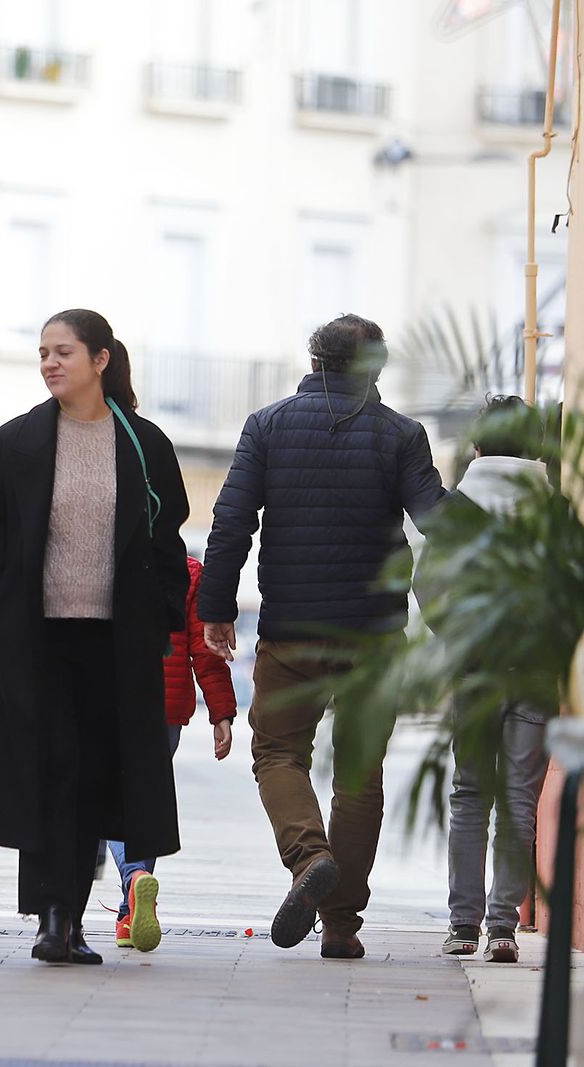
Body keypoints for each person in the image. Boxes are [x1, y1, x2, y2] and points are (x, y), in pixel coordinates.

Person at [198, 313, 444, 960]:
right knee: (359, 776)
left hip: (293, 632)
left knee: (278, 753)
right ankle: (340, 926)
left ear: (314, 361)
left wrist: (215, 605)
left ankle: (309, 855)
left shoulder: (269, 425)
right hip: (374, 637)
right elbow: (436, 519)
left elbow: (230, 522)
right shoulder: (402, 435)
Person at [0, 313, 189, 967]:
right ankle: (51, 914)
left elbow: (166, 537)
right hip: (37, 636)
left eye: (63, 352)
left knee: (94, 775)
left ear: (101, 358)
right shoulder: (18, 442)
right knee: (47, 769)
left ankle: (75, 917)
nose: (49, 363)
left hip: (116, 640)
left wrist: (163, 617)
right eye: (42, 353)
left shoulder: (143, 443)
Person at [422, 396, 548, 965]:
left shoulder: (457, 510)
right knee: (519, 800)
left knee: (470, 794)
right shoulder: (556, 511)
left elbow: (429, 587)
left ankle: (463, 926)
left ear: (476, 447)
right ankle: (503, 929)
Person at [104, 555, 236, 952]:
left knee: (112, 800)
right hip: (167, 710)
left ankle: (134, 880)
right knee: (148, 801)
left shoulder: (105, 560)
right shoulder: (188, 571)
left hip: (113, 700)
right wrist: (222, 713)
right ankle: (130, 915)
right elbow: (206, 648)